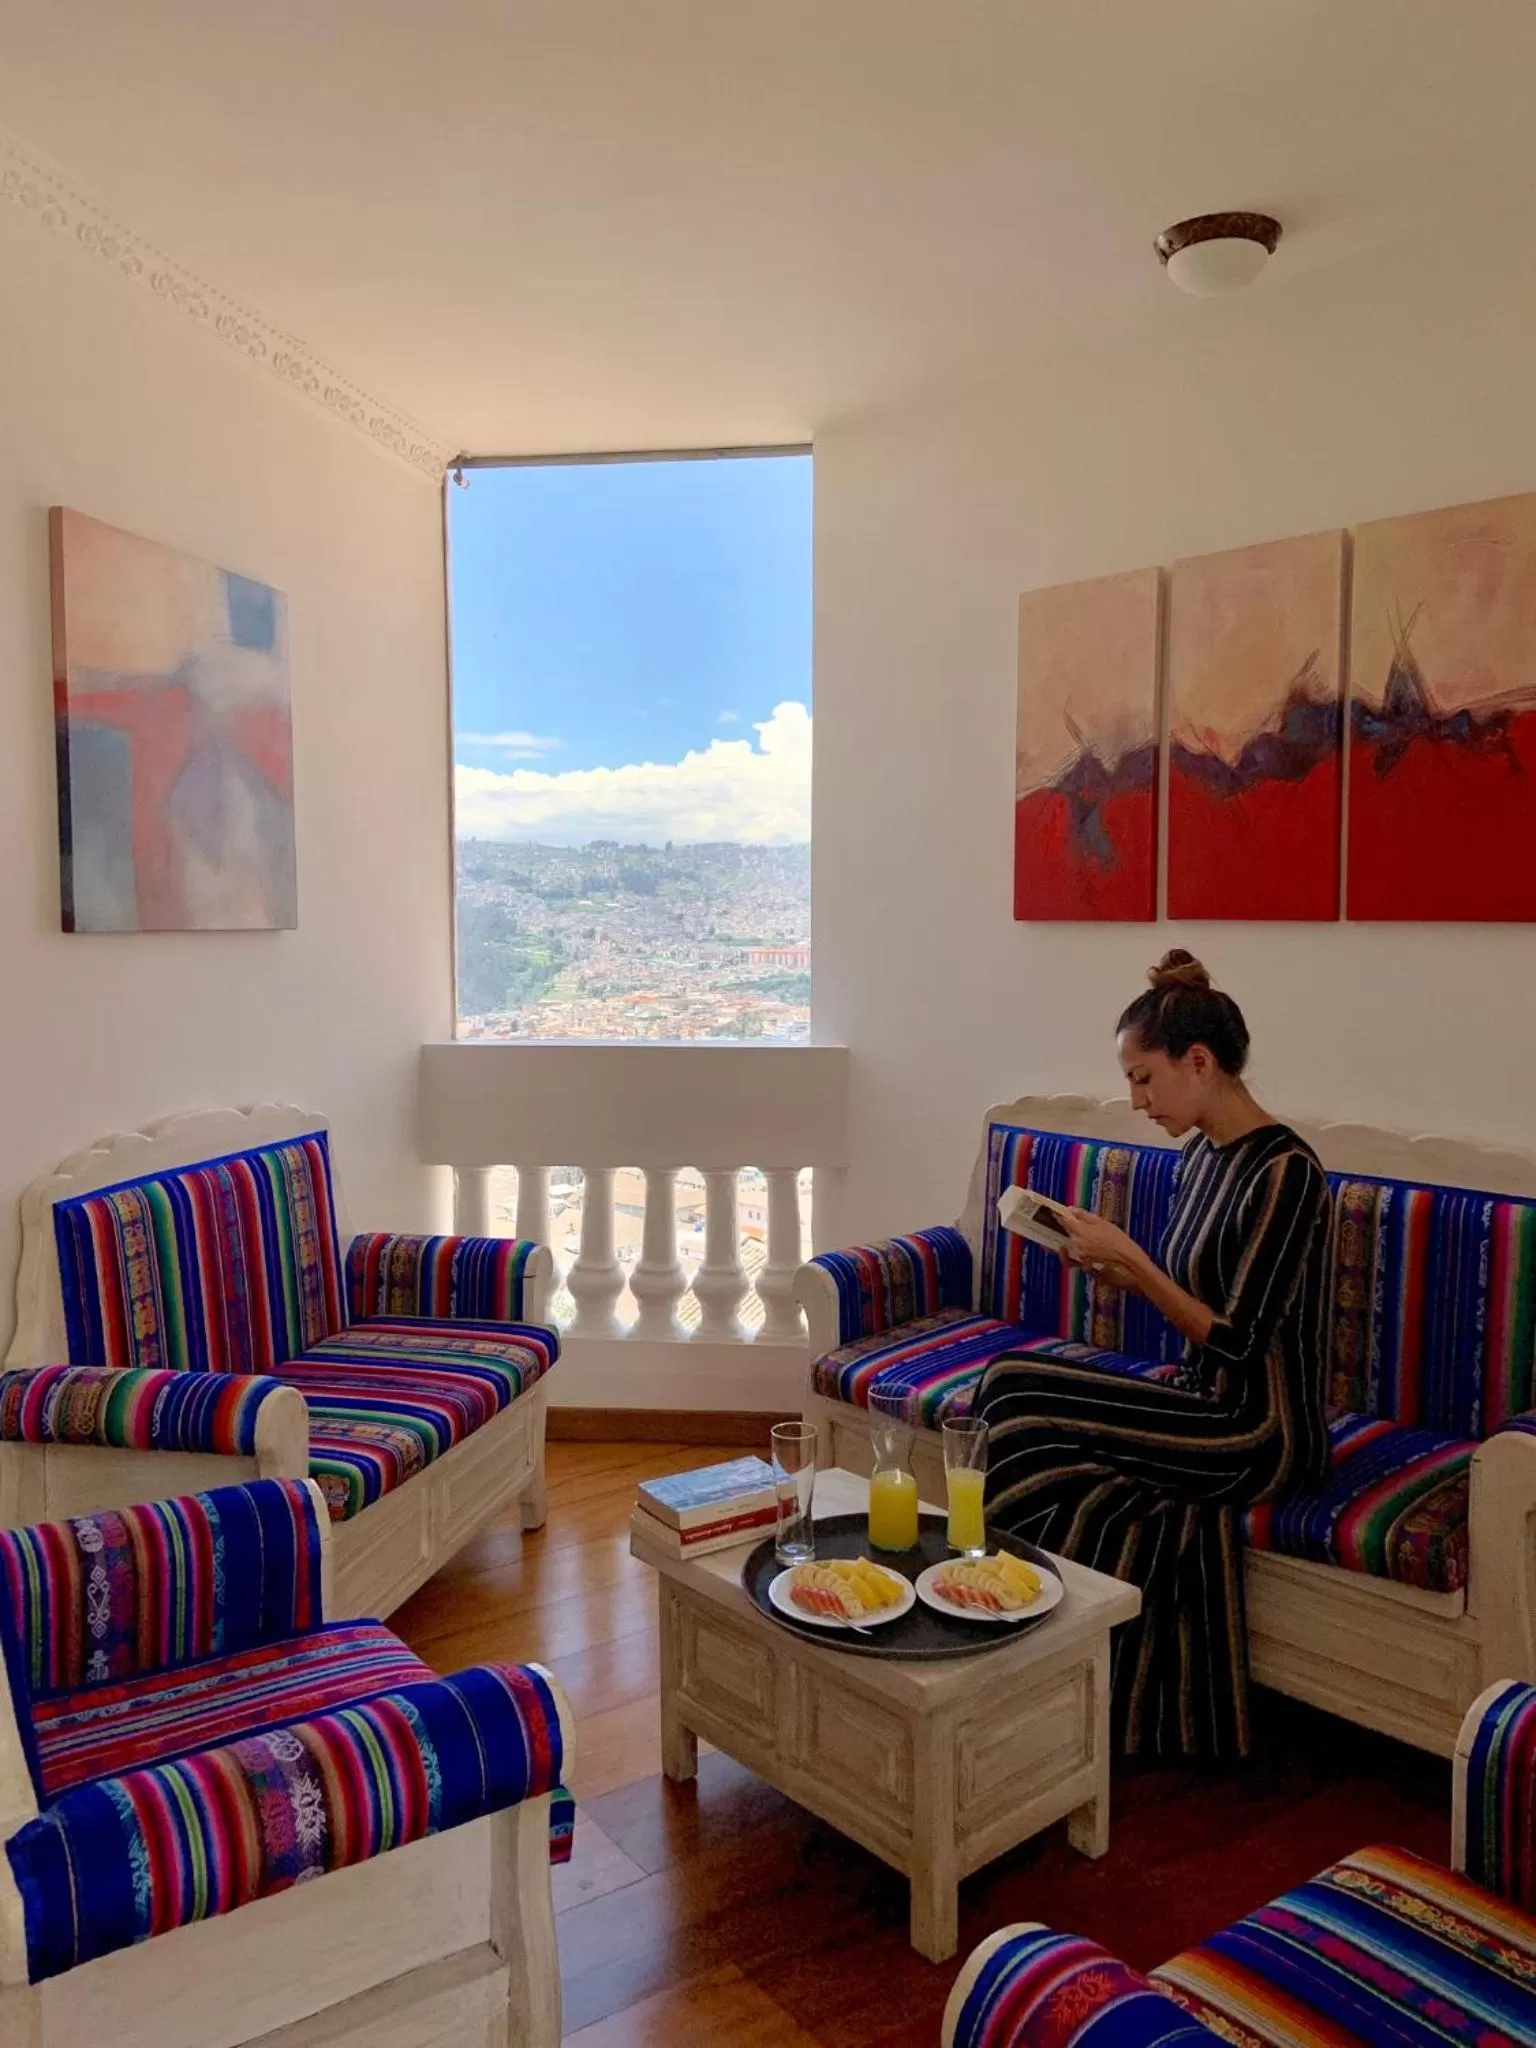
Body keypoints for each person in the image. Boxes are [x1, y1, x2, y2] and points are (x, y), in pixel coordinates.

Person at [973, 950, 1331, 1761]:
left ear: (1199, 1063)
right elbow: (1191, 1303)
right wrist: (1110, 1263)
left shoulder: (1287, 1174)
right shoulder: (1202, 1154)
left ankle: (1009, 1640)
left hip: (1257, 1427)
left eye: (1145, 1079)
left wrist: (1133, 1264)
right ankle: (1035, 1653)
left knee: (1016, 1397)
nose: (1136, 1102)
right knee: (1022, 1408)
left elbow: (1239, 1340)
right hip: (1199, 1396)